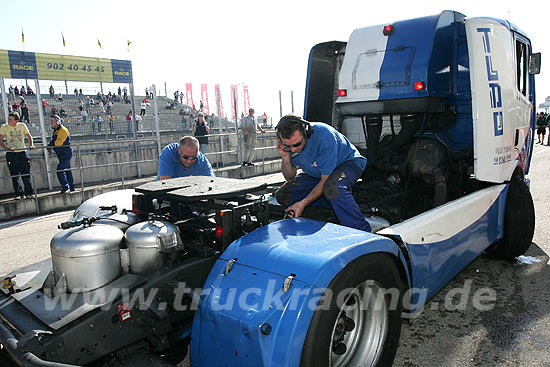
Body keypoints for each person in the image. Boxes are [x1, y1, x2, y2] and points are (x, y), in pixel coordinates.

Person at [274, 114, 371, 232]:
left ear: (306, 133)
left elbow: (325, 180)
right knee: (283, 194)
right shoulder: (289, 148)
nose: (293, 150)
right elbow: (289, 177)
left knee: (333, 188)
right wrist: (285, 157)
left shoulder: (324, 136)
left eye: (297, 144)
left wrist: (303, 203)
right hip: (318, 173)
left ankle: (362, 230)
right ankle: (332, 213)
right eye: (288, 146)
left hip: (347, 164)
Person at [0, 112, 34, 199]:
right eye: (8, 119)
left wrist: (31, 145)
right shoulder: (4, 127)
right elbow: (1, 140)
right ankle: (19, 194)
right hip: (11, 154)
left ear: (16, 120)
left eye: (10, 119)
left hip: (22, 152)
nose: (8, 121)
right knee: (14, 175)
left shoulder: (22, 126)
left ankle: (29, 193)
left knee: (25, 174)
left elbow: (29, 136)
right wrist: (7, 147)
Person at [48, 115, 75, 193]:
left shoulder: (63, 130)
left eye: (52, 121)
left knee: (60, 169)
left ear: (58, 121)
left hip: (65, 153)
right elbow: (54, 141)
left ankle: (65, 187)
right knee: (67, 170)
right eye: (50, 121)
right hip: (61, 153)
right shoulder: (55, 130)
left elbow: (58, 143)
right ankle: (71, 187)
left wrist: (50, 145)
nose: (51, 122)